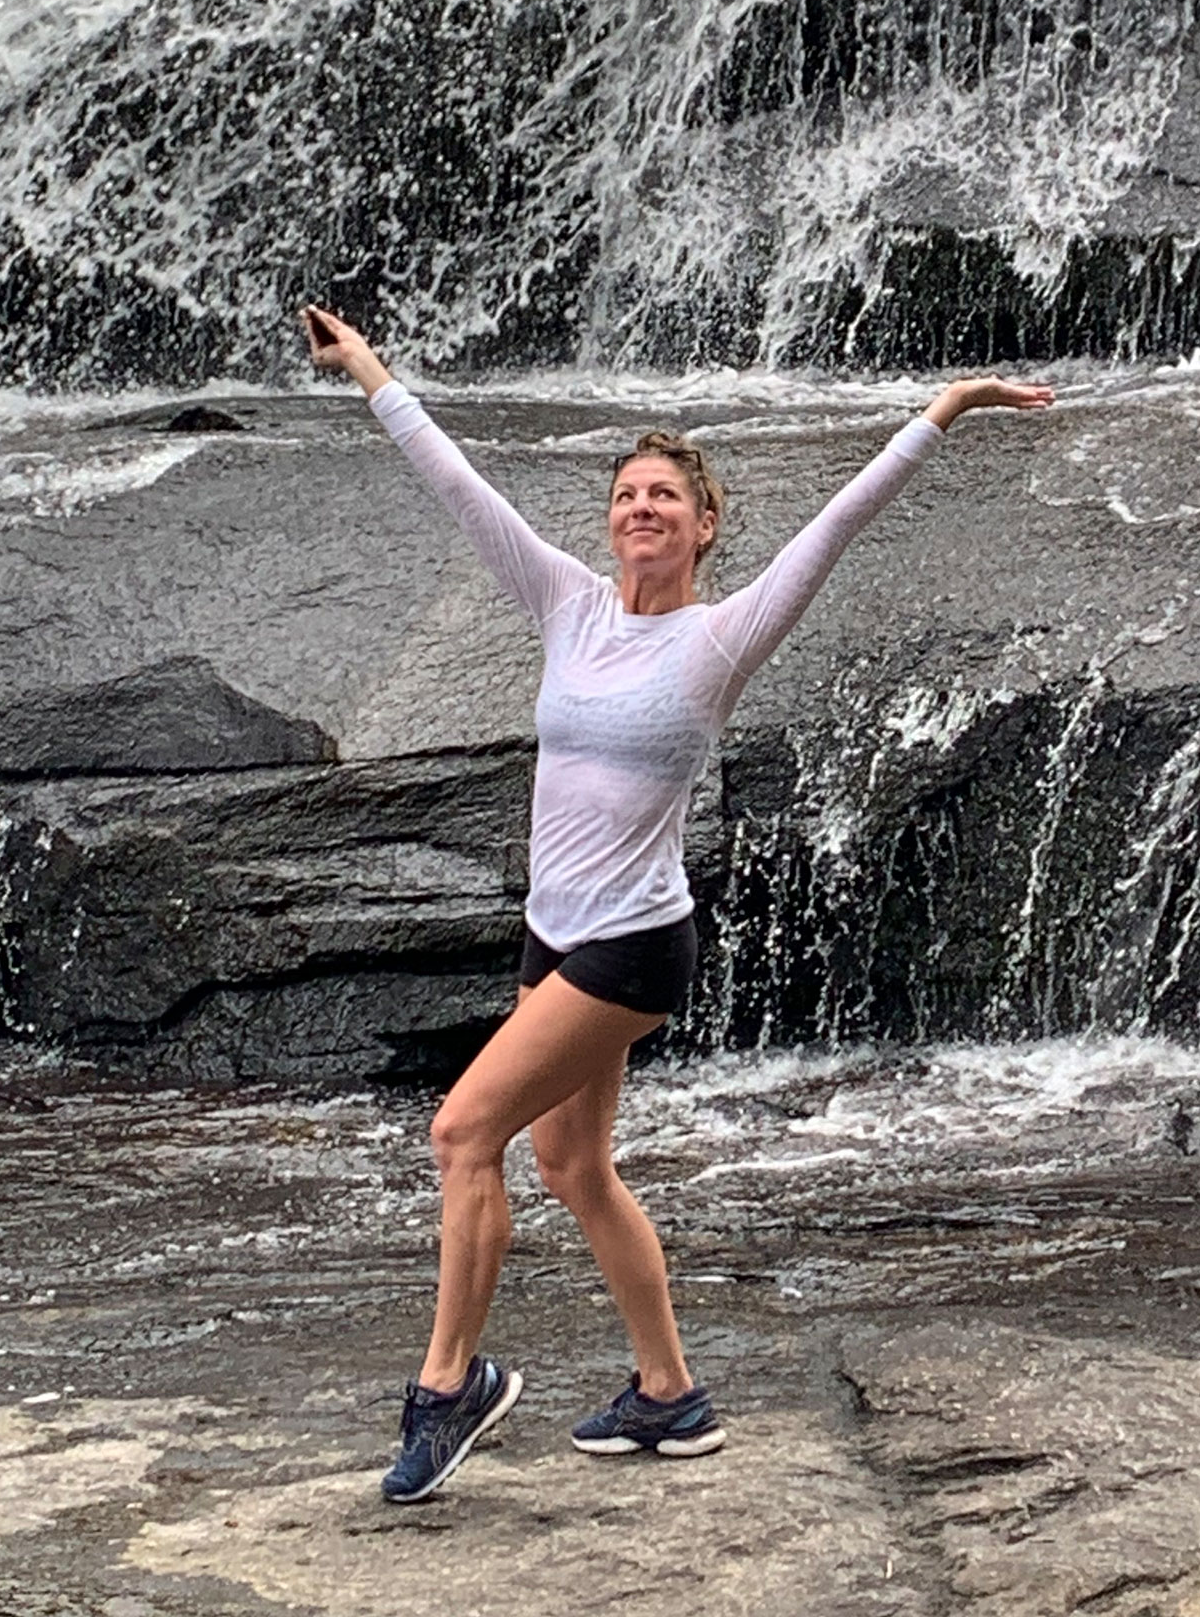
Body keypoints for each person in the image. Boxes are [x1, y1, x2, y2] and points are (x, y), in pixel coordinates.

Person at [304, 305, 1052, 1502]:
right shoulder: (566, 604)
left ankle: (450, 1387)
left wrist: (943, 410)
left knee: (460, 1133)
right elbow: (458, 486)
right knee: (572, 1166)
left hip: (634, 945)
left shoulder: (721, 637)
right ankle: (670, 1395)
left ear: (704, 527)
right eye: (627, 495)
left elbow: (839, 525)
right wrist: (370, 373)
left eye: (666, 497)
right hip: (554, 930)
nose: (641, 508)